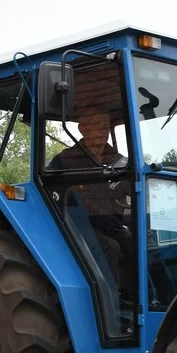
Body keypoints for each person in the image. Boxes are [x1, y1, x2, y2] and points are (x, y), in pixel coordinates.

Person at [47, 106, 134, 304]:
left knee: (140, 243)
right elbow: (50, 193)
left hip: (112, 224)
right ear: (82, 129)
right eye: (96, 125)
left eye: (105, 125)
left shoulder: (120, 161)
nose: (102, 130)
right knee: (109, 248)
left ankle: (136, 300)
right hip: (79, 225)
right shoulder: (64, 160)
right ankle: (107, 302)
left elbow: (133, 189)